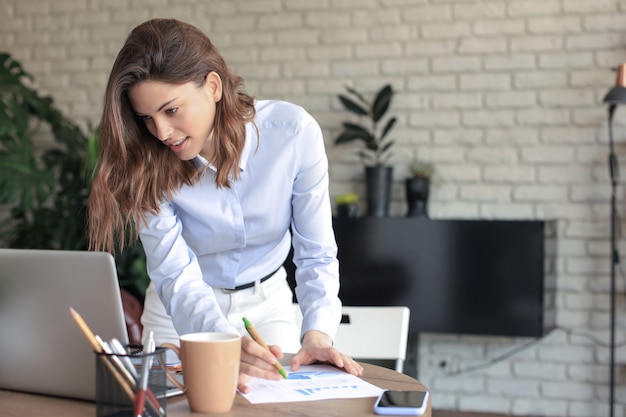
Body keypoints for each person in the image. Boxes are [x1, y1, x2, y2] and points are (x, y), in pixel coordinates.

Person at [88, 18, 363, 391]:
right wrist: (219, 342)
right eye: (146, 119)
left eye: (171, 110)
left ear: (213, 86)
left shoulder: (293, 136)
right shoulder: (148, 163)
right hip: (179, 313)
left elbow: (315, 254)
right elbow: (175, 276)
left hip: (268, 307)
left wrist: (317, 335)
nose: (161, 133)